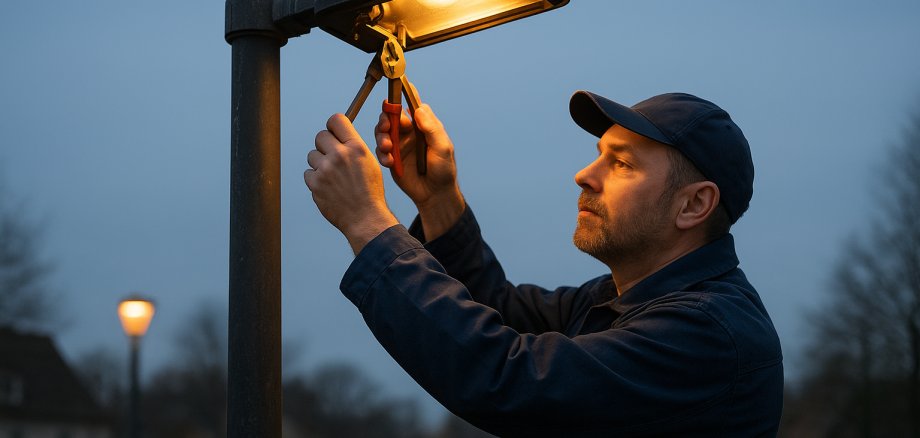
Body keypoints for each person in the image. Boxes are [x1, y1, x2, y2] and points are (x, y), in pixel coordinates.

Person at [303, 90, 783, 437]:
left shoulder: (709, 334)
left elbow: (511, 381)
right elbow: (497, 312)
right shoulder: (617, 301)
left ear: (693, 205)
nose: (583, 175)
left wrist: (368, 223)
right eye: (599, 155)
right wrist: (439, 199)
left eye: (621, 164)